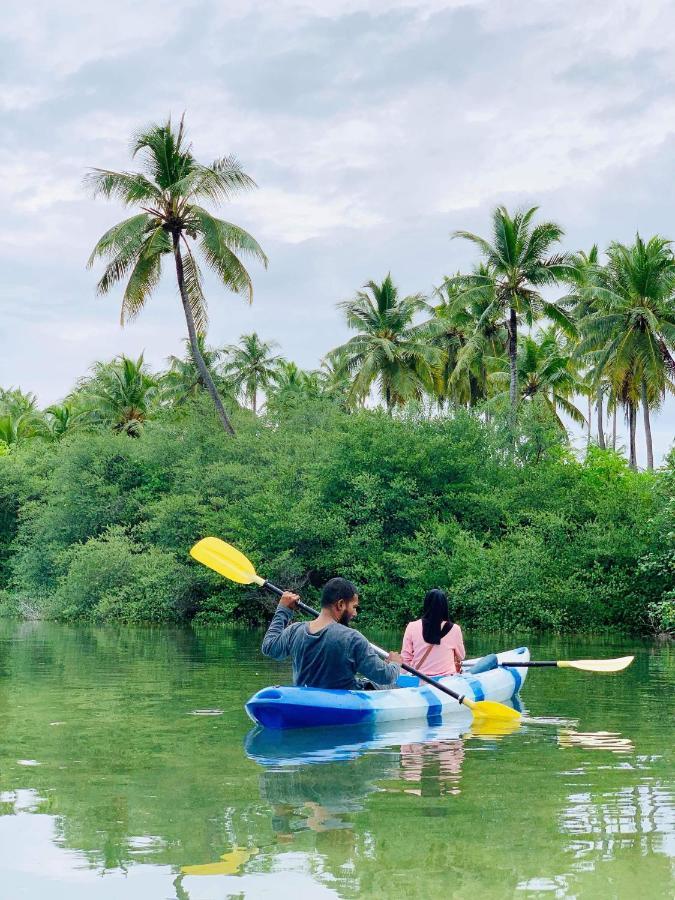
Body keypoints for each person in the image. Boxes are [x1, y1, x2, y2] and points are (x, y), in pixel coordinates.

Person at [261, 576, 402, 690]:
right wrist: (395, 664)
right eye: (354, 607)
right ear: (340, 604)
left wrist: (283, 609)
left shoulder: (295, 630)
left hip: (305, 698)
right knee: (389, 685)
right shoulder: (352, 638)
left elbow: (269, 647)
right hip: (342, 704)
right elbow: (386, 676)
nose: (355, 613)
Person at [401, 588, 465, 677]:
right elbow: (461, 656)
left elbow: (405, 660)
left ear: (426, 605)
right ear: (445, 606)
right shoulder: (455, 629)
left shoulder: (412, 626)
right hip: (447, 681)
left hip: (420, 678)